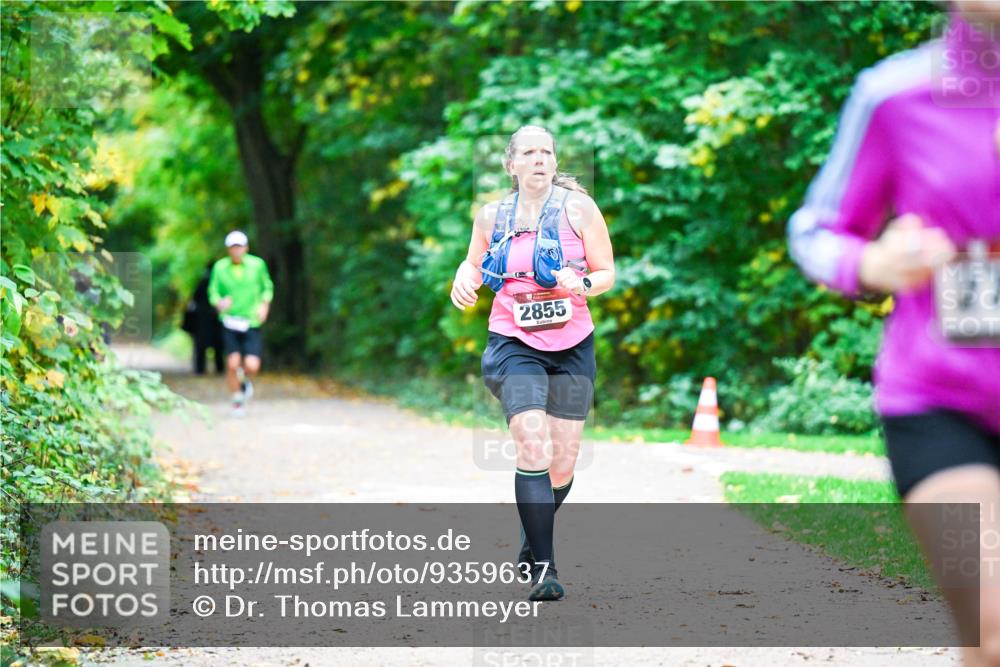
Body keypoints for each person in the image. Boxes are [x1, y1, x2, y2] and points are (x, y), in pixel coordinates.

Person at [787, 6, 999, 664]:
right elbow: (814, 232)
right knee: (995, 623)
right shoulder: (896, 94)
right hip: (943, 402)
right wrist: (873, 263)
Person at [450, 125, 615, 601]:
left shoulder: (579, 209)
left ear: (554, 161)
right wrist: (463, 277)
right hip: (512, 342)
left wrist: (579, 286)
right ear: (512, 164)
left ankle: (530, 538)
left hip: (572, 344)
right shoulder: (491, 215)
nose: (540, 158)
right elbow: (472, 263)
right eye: (529, 152)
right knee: (532, 445)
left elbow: (606, 272)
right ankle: (545, 569)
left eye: (547, 151)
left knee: (562, 463)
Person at [208, 230, 274, 417]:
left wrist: (264, 306)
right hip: (229, 320)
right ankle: (237, 400)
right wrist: (219, 303)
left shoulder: (257, 265)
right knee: (232, 362)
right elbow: (213, 291)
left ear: (246, 247)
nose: (236, 250)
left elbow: (267, 287)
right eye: (233, 247)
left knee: (252, 365)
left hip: (250, 320)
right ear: (228, 249)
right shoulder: (220, 268)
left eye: (239, 246)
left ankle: (244, 382)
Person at [182, 262, 225, 375]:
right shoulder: (219, 283)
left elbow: (193, 302)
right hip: (215, 319)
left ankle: (200, 369)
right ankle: (219, 369)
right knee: (218, 347)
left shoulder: (202, 283)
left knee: (201, 346)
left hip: (203, 321)